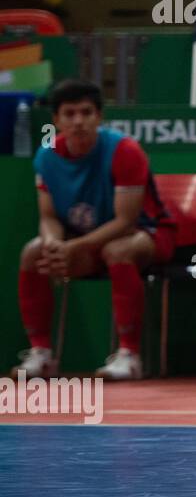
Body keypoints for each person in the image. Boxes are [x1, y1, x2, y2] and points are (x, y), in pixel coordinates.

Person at [12, 79, 176, 382]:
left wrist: (72, 248)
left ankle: (129, 355)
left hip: (147, 234)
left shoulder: (124, 150)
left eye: (86, 113)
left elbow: (126, 221)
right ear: (56, 120)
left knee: (117, 249)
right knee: (33, 253)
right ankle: (41, 354)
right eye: (70, 114)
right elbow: (48, 216)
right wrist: (52, 244)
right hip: (87, 243)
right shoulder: (46, 157)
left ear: (99, 117)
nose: (79, 121)